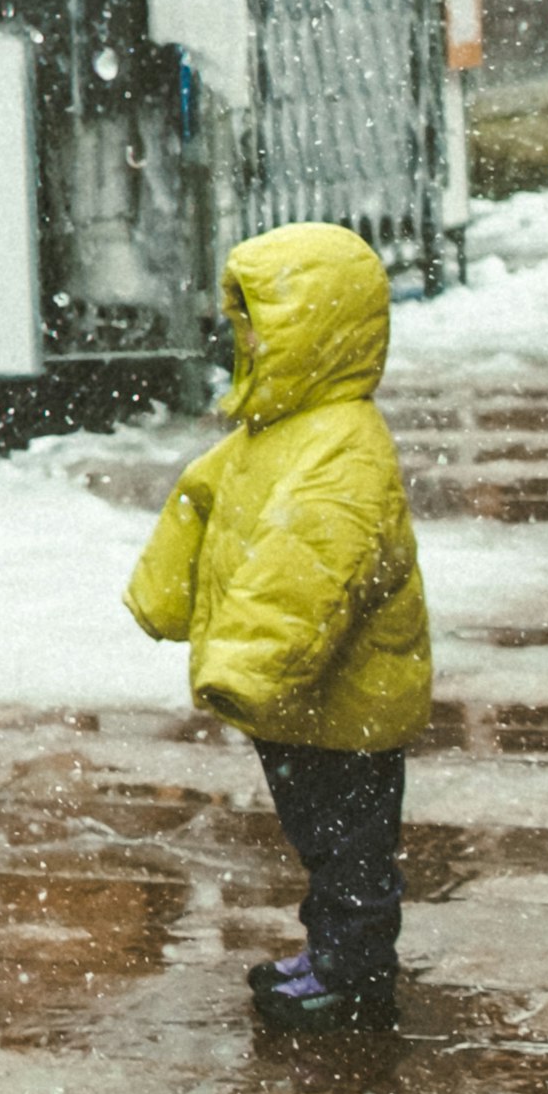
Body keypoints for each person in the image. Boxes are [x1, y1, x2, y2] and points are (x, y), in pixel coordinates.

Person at [126, 217, 433, 1036]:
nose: (247, 338)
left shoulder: (343, 450)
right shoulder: (270, 435)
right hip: (300, 701)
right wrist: (166, 596)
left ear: (317, 328)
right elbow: (201, 504)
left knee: (352, 849)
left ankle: (354, 972)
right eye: (241, 322)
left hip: (347, 701)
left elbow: (302, 572)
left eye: (259, 318)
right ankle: (330, 950)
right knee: (320, 837)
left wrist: (245, 663)